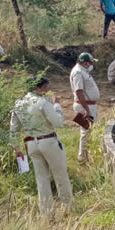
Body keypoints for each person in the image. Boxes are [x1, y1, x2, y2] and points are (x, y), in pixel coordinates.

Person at [9, 76, 73, 218]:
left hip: (31, 143)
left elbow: (13, 130)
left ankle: (46, 213)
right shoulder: (43, 102)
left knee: (41, 179)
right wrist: (57, 106)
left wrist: (17, 149)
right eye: (45, 87)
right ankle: (67, 209)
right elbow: (58, 123)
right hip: (48, 140)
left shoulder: (18, 104)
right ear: (38, 88)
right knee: (60, 175)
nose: (47, 89)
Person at [70, 52, 100, 163]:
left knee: (89, 131)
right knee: (86, 132)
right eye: (90, 62)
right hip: (85, 106)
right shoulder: (78, 72)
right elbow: (79, 92)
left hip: (89, 105)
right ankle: (82, 158)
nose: (91, 64)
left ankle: (86, 155)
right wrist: (86, 109)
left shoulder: (83, 71)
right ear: (85, 62)